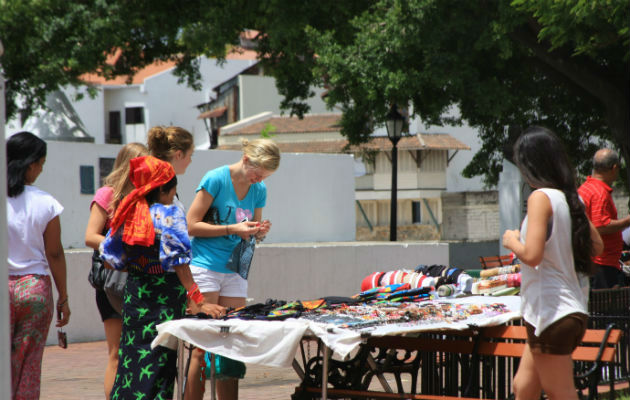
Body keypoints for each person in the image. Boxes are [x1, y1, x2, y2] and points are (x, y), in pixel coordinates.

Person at [100, 155, 226, 400]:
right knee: (160, 362)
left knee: (132, 360)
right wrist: (199, 300)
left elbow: (109, 259)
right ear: (165, 190)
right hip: (165, 299)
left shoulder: (128, 210)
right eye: (173, 191)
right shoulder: (169, 215)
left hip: (136, 295)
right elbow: (180, 264)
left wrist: (143, 266)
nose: (173, 196)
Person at [502, 126, 603, 400]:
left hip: (551, 313)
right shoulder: (570, 199)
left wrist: (512, 240)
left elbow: (532, 255)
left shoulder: (540, 198)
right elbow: (598, 246)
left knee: (561, 393)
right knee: (524, 387)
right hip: (562, 312)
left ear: (530, 164)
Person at [185, 138, 280, 400]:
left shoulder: (258, 189)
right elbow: (190, 225)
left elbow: (251, 231)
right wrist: (232, 229)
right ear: (247, 159)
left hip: (236, 268)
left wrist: (258, 232)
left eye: (264, 177)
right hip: (205, 265)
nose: (258, 180)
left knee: (230, 343)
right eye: (257, 174)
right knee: (201, 344)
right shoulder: (216, 178)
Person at [7, 131, 71, 399]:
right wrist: (63, 298)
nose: (41, 170)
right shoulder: (45, 202)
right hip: (35, 289)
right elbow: (54, 253)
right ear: (31, 164)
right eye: (41, 164)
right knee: (29, 362)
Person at [83, 142, 148, 398]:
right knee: (117, 353)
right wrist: (123, 244)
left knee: (138, 352)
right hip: (113, 281)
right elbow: (90, 236)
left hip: (140, 281)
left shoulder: (147, 195)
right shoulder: (107, 195)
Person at [578, 148, 630, 288]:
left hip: (592, 261)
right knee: (605, 308)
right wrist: (627, 221)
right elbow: (600, 226)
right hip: (602, 263)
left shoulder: (585, 188)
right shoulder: (599, 192)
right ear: (614, 168)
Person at [147, 125, 195, 210]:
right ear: (179, 155)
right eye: (190, 155)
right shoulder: (161, 188)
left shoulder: (153, 181)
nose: (190, 161)